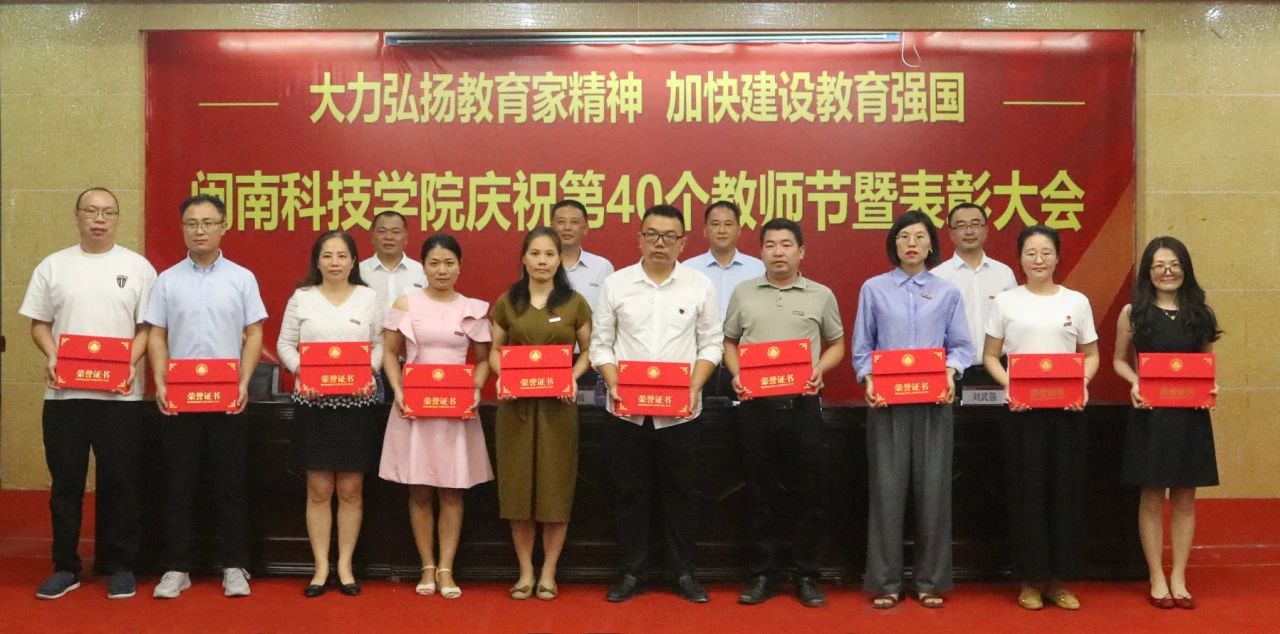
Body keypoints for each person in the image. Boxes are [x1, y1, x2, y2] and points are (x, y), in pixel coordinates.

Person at [21, 188, 156, 600]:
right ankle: (65, 566)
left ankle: (121, 565)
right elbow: (39, 323)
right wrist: (52, 354)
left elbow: (146, 327)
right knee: (66, 484)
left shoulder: (137, 267)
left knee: (121, 482)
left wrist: (128, 363)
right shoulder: (53, 266)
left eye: (108, 212)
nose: (99, 219)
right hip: (65, 398)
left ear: (117, 218)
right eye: (91, 211)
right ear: (77, 215)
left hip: (120, 398)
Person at [590, 204, 723, 604]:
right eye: (652, 234)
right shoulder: (615, 284)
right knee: (629, 495)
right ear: (640, 239)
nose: (660, 243)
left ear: (683, 242)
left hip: (681, 414)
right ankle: (633, 573)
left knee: (682, 495)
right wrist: (614, 383)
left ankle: (683, 573)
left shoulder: (699, 286)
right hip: (626, 413)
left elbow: (711, 343)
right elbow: (601, 345)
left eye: (669, 236)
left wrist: (694, 387)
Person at [146, 194, 267, 599]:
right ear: (183, 228)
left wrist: (244, 382)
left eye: (208, 222)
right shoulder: (167, 280)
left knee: (231, 483)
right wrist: (160, 381)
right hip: (179, 400)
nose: (200, 230)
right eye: (192, 223)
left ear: (223, 226)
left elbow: (254, 332)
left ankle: (234, 565)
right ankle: (176, 567)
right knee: (178, 483)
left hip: (228, 398)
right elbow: (157, 334)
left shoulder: (242, 278)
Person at [852, 209, 973, 609]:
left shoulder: (947, 292)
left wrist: (951, 372)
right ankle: (886, 582)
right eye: (904, 236)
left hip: (933, 403)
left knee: (934, 492)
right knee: (886, 493)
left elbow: (962, 346)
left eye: (920, 237)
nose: (911, 244)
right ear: (894, 243)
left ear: (931, 245)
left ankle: (930, 582)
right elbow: (862, 348)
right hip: (886, 404)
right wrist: (869, 379)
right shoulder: (873, 289)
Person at [722, 218, 844, 607]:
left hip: (802, 406)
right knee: (760, 493)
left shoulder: (821, 294)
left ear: (801, 252)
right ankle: (763, 574)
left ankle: (806, 575)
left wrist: (819, 369)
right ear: (760, 252)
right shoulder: (744, 292)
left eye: (786, 244)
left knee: (809, 493)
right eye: (771, 245)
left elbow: (837, 343)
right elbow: (729, 341)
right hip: (756, 408)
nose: (778, 252)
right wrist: (737, 374)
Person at [982, 224, 1100, 611]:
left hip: (1067, 413)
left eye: (1046, 252)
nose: (1038, 259)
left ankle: (1057, 580)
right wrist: (1011, 386)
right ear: (1020, 259)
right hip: (1023, 414)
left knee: (1064, 493)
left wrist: (1082, 383)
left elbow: (1091, 355)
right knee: (1026, 494)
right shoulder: (1005, 302)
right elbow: (990, 356)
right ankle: (1029, 581)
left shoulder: (1076, 301)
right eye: (1031, 253)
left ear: (1057, 257)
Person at [380, 234, 493, 600]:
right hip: (414, 408)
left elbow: (483, 360)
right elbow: (389, 353)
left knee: (452, 490)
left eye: (449, 263)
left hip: (456, 410)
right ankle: (426, 566)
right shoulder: (406, 303)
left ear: (459, 267)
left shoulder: (472, 308)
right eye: (434, 263)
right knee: (419, 489)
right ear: (423, 267)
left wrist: (476, 388)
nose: (441, 270)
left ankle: (446, 568)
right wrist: (398, 390)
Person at [1113, 236, 1221, 610]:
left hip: (1191, 416)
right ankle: (1156, 575)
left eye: (1174, 264)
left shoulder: (1201, 313)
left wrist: (1212, 386)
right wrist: (1135, 382)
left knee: (1186, 498)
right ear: (1148, 271)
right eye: (1159, 265)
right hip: (1150, 415)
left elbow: (1207, 363)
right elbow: (1119, 360)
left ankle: (1179, 576)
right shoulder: (1134, 313)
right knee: (1152, 496)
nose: (1167, 271)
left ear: (1185, 268)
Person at [277, 230, 383, 597]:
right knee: (319, 488)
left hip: (356, 407)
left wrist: (368, 371)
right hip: (314, 406)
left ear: (354, 261)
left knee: (351, 489)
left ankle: (346, 565)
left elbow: (380, 343)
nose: (335, 262)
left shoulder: (369, 298)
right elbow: (284, 344)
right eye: (327, 256)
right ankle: (321, 566)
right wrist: (302, 372)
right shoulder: (302, 298)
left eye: (342, 256)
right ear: (317, 261)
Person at [490, 227, 593, 601]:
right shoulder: (508, 302)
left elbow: (589, 351)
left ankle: (549, 572)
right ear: (524, 258)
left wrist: (571, 378)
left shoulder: (575, 302)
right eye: (535, 254)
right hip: (516, 409)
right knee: (518, 491)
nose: (542, 261)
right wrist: (505, 377)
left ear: (559, 259)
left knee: (554, 490)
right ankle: (525, 572)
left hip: (557, 410)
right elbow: (495, 352)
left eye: (550, 254)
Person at [685, 200, 765, 398]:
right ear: (705, 231)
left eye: (728, 224)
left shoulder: (758, 269)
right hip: (698, 361)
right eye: (715, 224)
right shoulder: (687, 270)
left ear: (739, 230)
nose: (722, 230)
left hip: (745, 362)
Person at [931, 202, 1017, 387]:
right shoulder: (937, 277)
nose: (969, 231)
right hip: (953, 371)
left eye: (975, 224)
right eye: (961, 225)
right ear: (951, 233)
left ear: (986, 230)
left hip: (999, 369)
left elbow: (1015, 325)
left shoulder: (1003, 274)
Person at [359, 211, 427, 312]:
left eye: (395, 232)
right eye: (382, 231)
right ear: (372, 236)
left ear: (406, 238)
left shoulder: (421, 272)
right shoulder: (360, 271)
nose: (389, 237)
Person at [553, 199, 614, 312]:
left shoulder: (602, 267)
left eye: (574, 222)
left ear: (585, 228)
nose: (567, 227)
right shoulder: (541, 265)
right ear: (552, 227)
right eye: (561, 222)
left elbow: (611, 311)